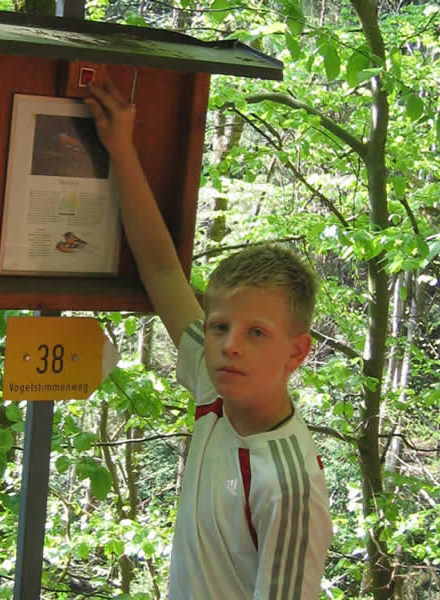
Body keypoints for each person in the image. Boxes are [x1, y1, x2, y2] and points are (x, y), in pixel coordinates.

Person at [85, 79, 333, 599]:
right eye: (219, 326)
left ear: (296, 351)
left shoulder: (287, 485)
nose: (229, 344)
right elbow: (161, 271)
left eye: (256, 333)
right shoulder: (214, 384)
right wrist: (122, 150)